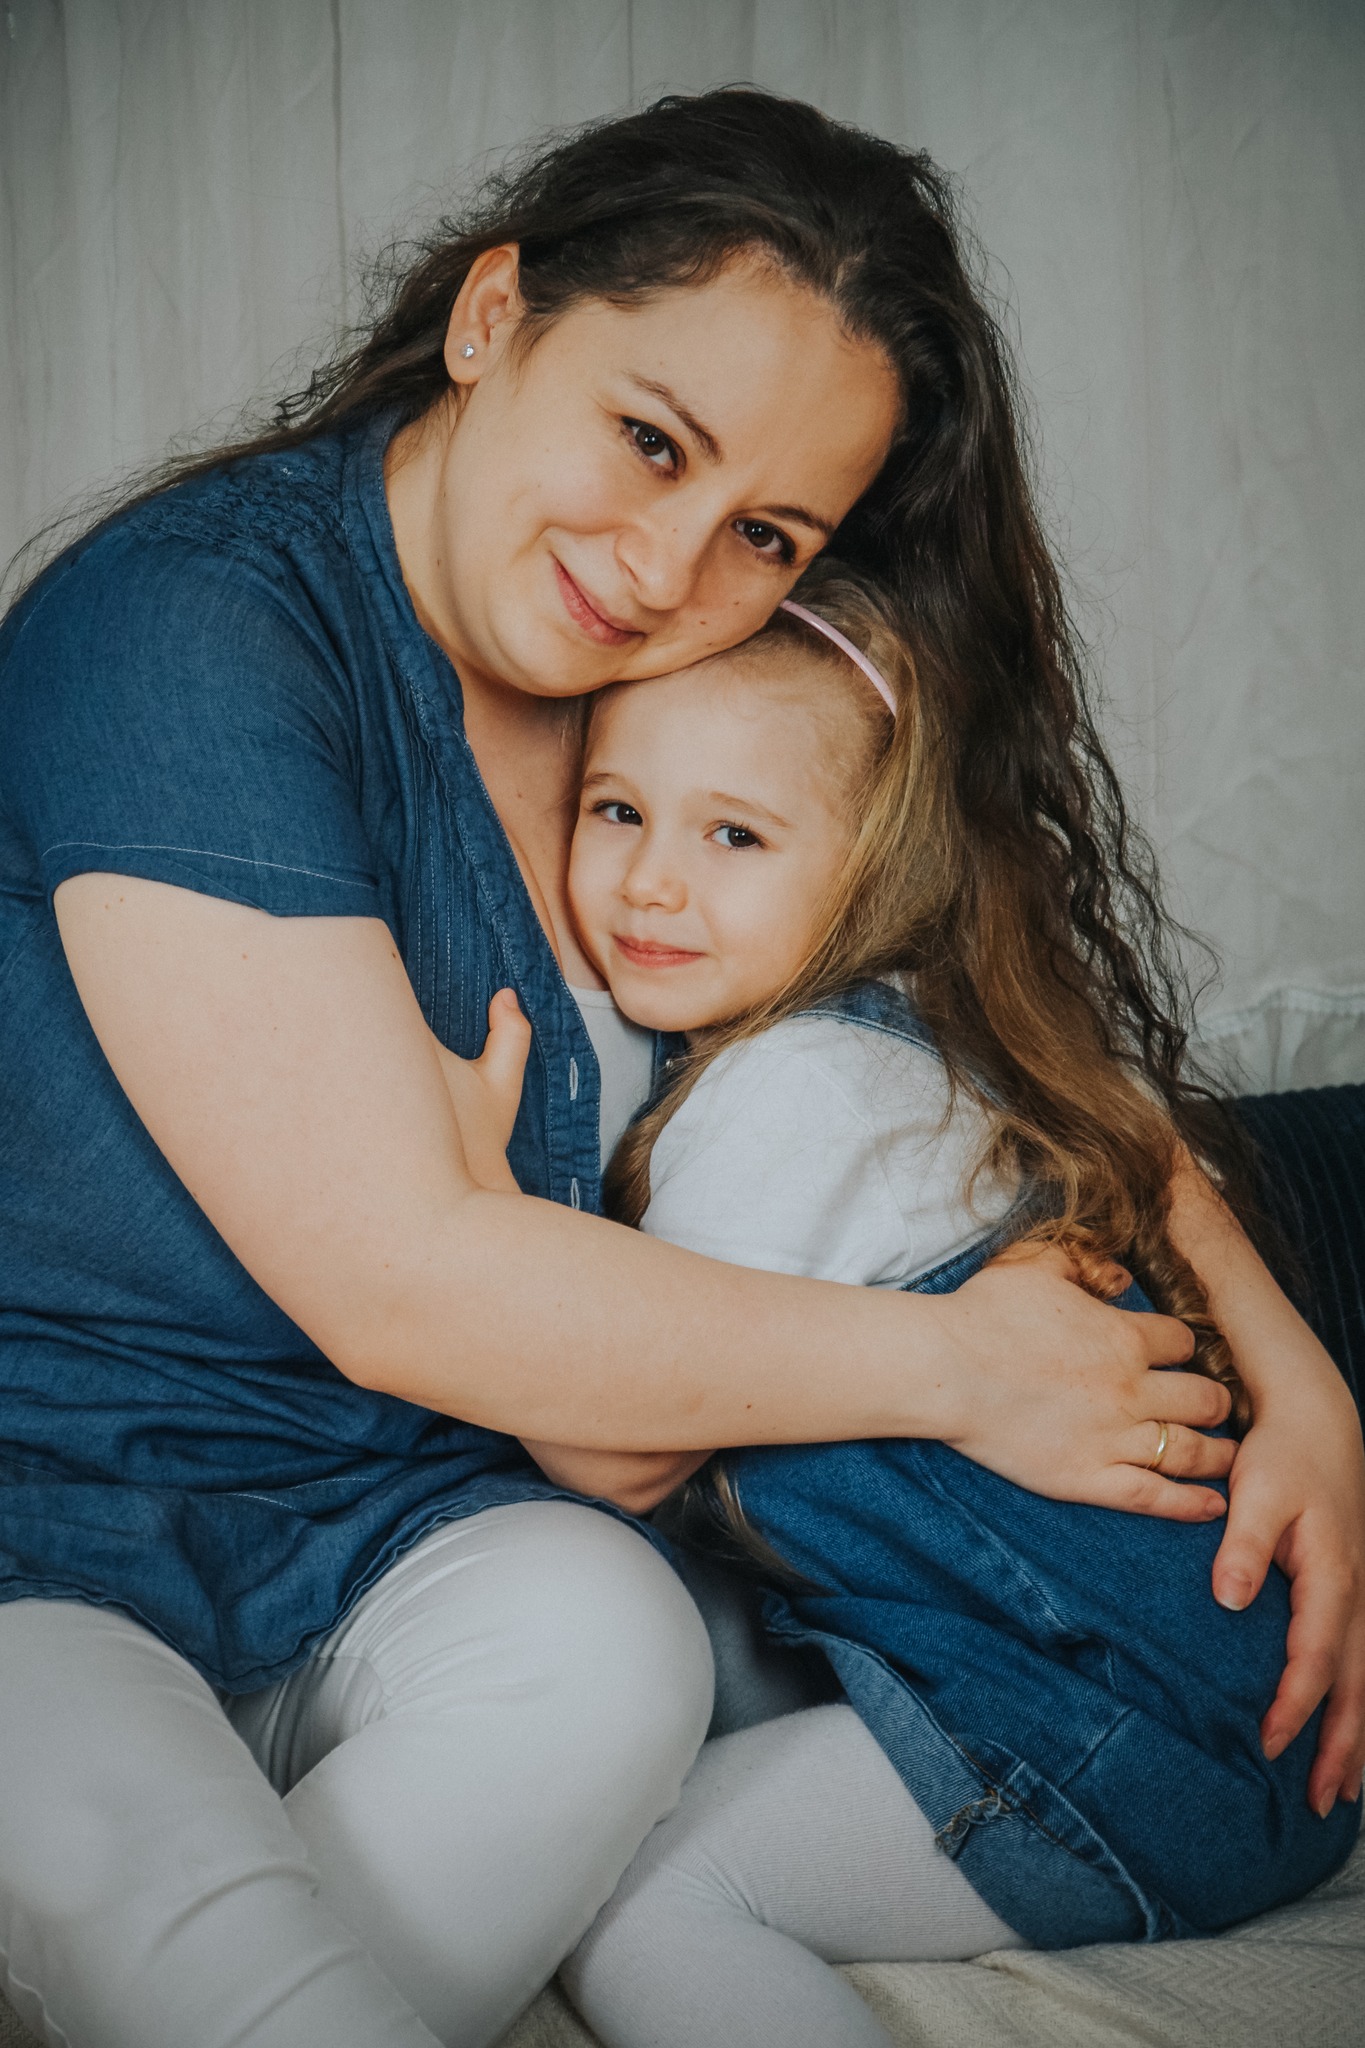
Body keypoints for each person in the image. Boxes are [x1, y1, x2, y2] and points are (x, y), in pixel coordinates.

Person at [0, 87, 1359, 2048]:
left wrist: (1294, 1373)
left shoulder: (668, 695)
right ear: (493, 317)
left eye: (764, 531)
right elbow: (405, 1285)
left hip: (404, 1538)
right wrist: (966, 1369)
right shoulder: (199, 631)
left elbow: (1006, 1030)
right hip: (59, 1534)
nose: (659, 564)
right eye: (650, 438)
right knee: (205, 1921)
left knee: (616, 1639)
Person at [543, 568, 1361, 2048]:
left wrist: (467, 1174)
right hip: (1234, 1724)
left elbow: (607, 1450)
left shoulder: (782, 1101)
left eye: (735, 834)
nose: (653, 880)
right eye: (618, 810)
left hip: (1117, 1746)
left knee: (639, 1900)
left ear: (875, 870)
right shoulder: (939, 1031)